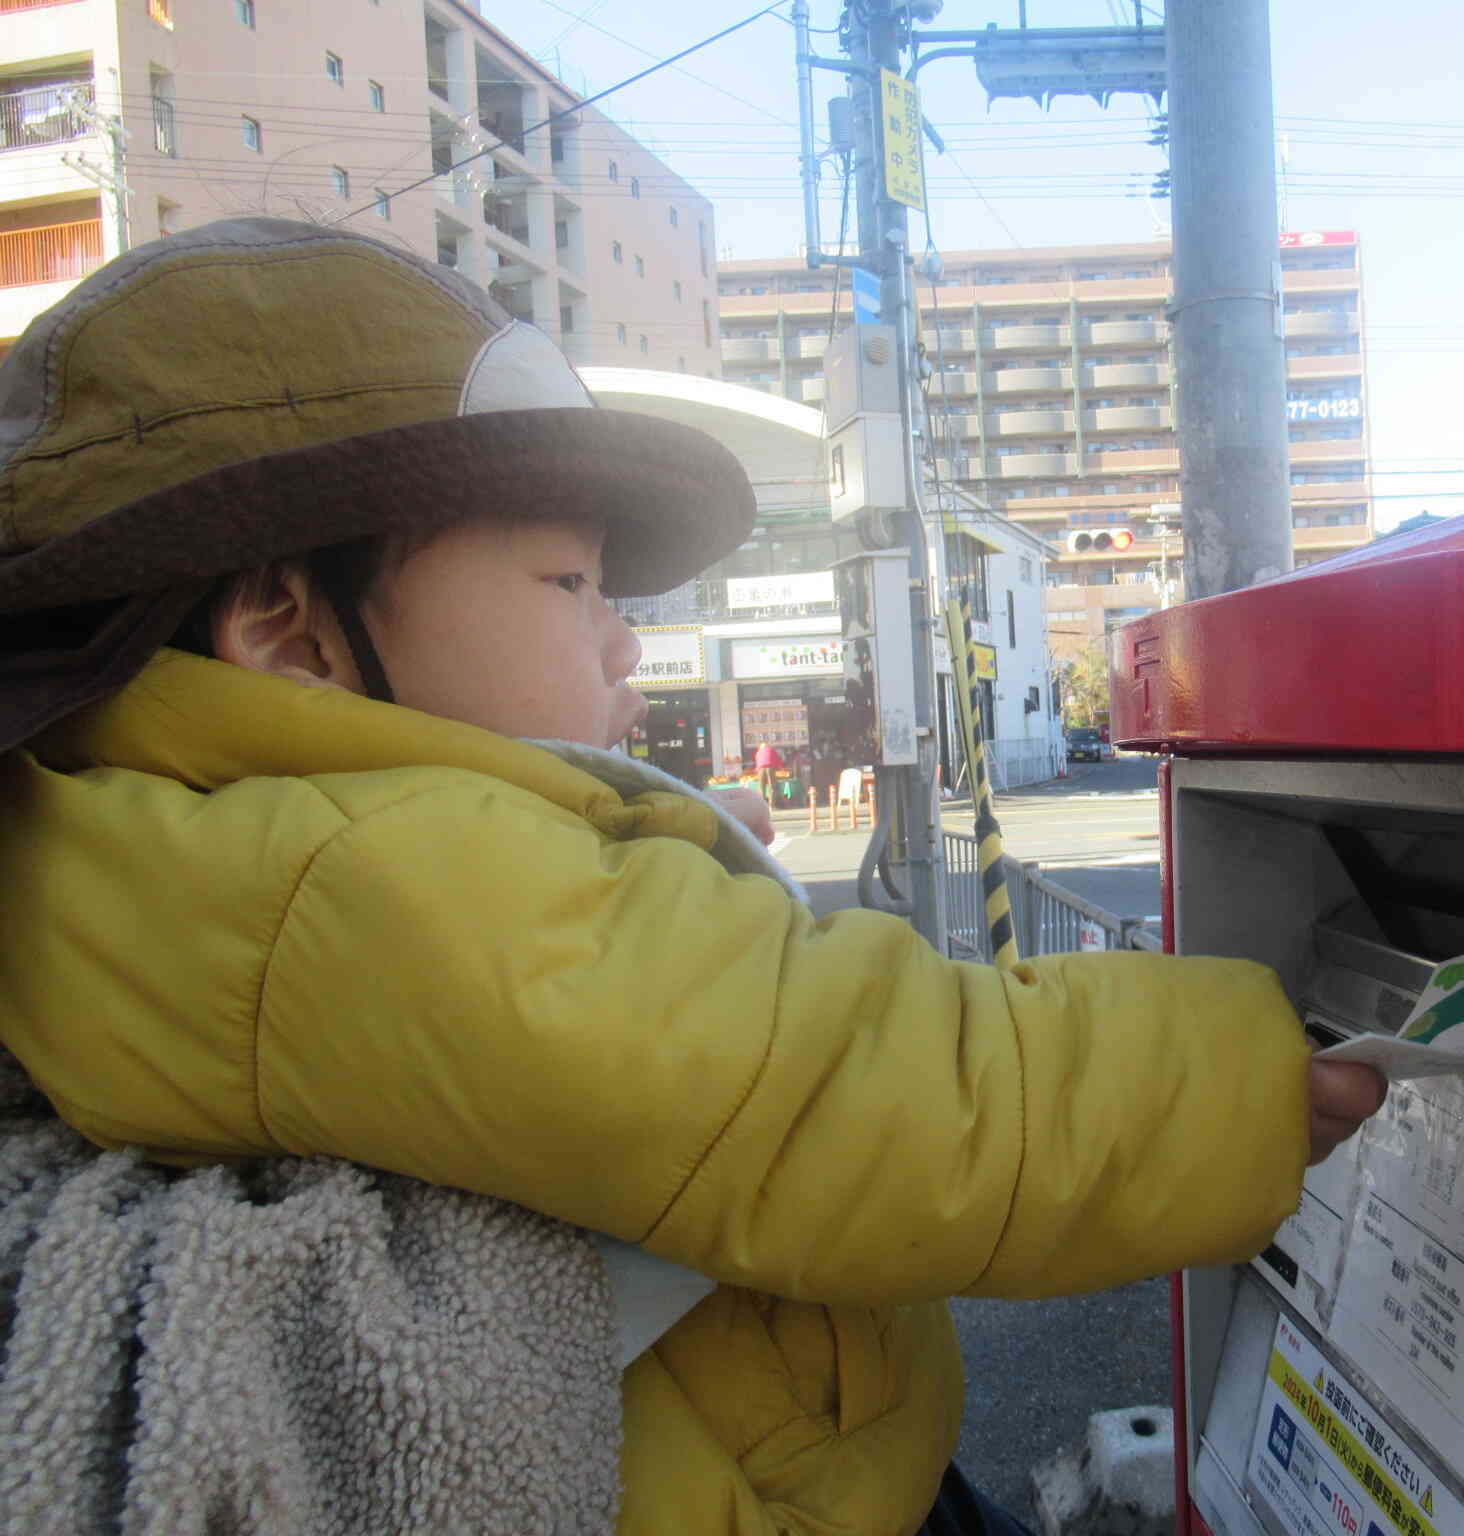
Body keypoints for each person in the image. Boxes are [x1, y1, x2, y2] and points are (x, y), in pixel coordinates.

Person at [0, 220, 1386, 1534]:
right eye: (566, 585)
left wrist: (635, 845)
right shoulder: (373, 872)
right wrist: (1231, 1083)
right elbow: (828, 1088)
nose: (622, 647)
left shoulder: (191, 835)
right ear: (290, 635)